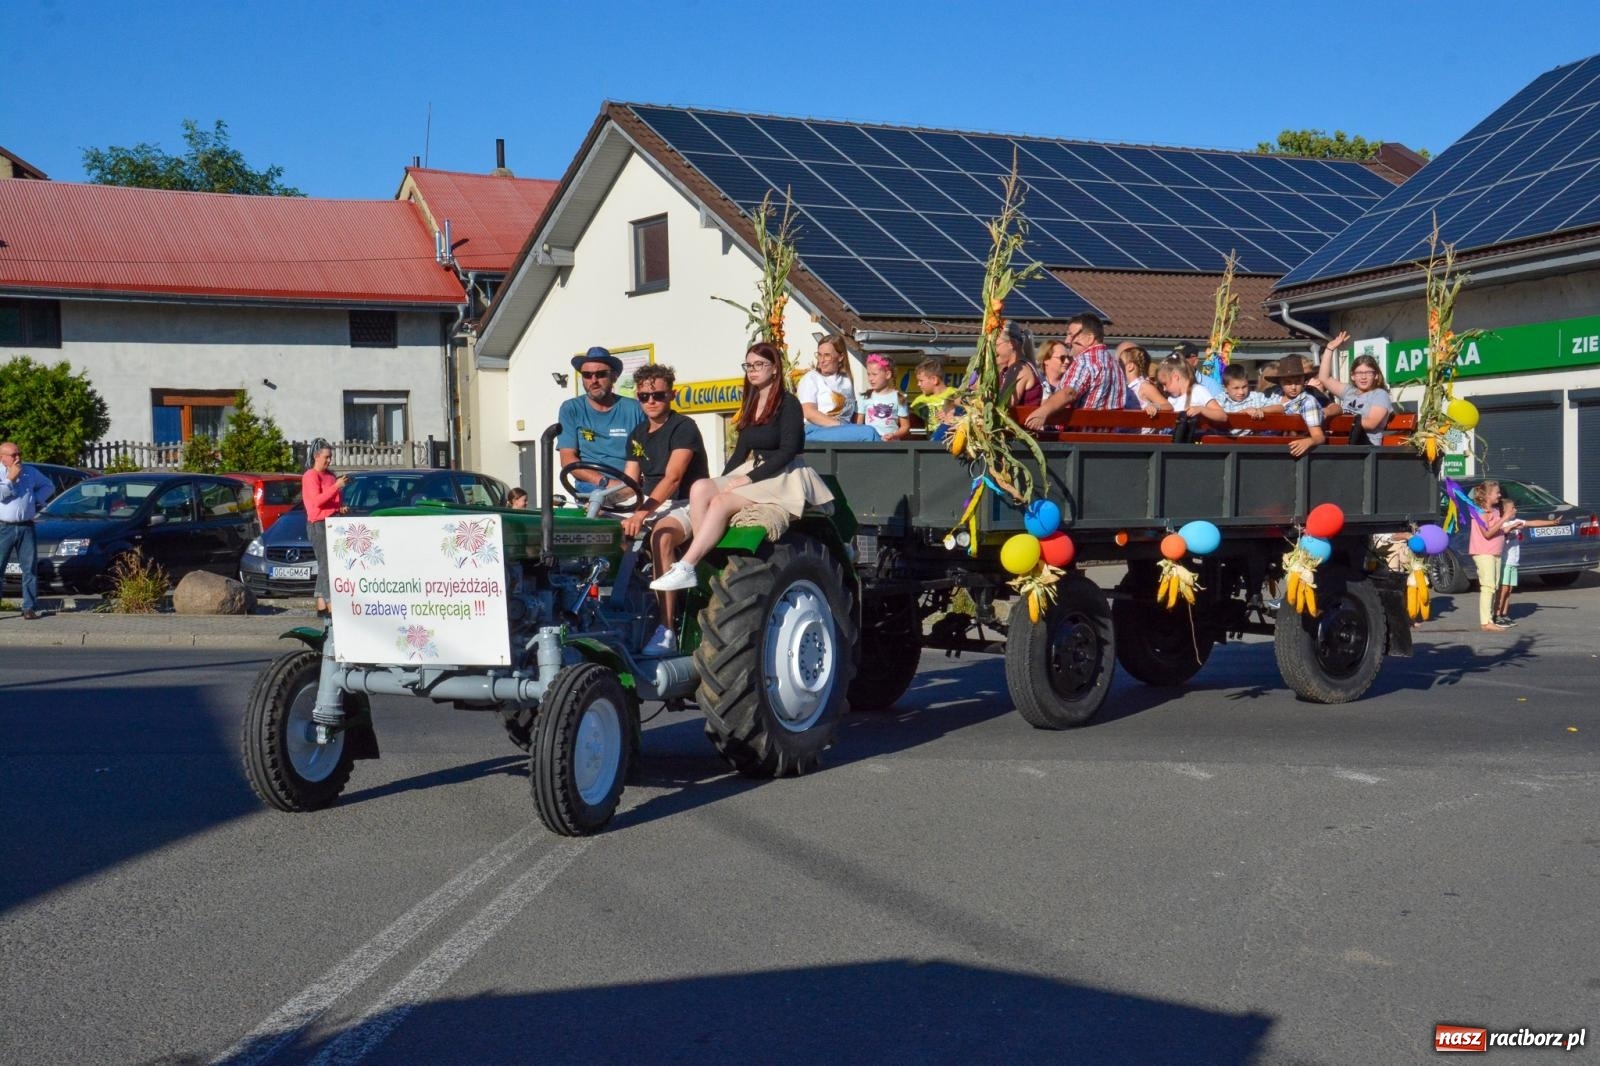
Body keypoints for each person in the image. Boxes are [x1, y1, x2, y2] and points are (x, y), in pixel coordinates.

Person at [650, 342, 832, 592]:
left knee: (721, 503)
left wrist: (749, 479)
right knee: (701, 487)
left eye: (759, 365)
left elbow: (788, 451)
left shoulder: (788, 403)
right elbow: (740, 453)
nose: (753, 370)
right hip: (753, 469)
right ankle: (704, 559)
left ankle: (687, 566)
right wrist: (720, 483)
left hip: (783, 474)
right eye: (749, 365)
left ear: (775, 369)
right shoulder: (751, 401)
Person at [619, 364, 710, 655]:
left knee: (662, 536)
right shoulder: (637, 432)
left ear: (671, 394)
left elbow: (673, 478)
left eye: (657, 395)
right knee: (605, 532)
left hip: (688, 502)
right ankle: (622, 611)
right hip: (650, 502)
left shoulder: (684, 427)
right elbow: (629, 483)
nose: (650, 401)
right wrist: (600, 499)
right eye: (644, 396)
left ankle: (666, 628)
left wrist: (642, 512)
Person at [557, 346, 645, 491]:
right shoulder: (571, 409)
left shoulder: (635, 409)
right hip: (591, 487)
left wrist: (630, 486)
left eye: (601, 374)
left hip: (631, 485)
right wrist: (606, 482)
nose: (594, 380)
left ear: (614, 377)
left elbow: (647, 454)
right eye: (587, 375)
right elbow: (567, 460)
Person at [1023, 313, 1121, 428]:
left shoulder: (1086, 361)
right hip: (1108, 439)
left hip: (1075, 438)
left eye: (1071, 335)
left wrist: (1042, 412)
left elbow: (1069, 393)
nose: (1067, 340)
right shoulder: (1114, 364)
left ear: (1089, 338)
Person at [0, 441, 55, 620]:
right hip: (4, 527)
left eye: (19, 454)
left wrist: (36, 500)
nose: (18, 458)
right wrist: (10, 479)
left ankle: (29, 607)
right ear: (2, 457)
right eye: (13, 455)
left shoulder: (29, 471)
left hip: (26, 526)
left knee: (29, 569)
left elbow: (49, 485)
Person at [799, 333, 877, 442]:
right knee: (869, 433)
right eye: (819, 355)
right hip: (815, 429)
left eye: (827, 355)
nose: (822, 360)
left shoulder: (846, 380)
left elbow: (852, 414)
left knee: (872, 431)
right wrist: (841, 427)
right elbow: (809, 412)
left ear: (840, 357)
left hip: (842, 430)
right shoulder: (811, 378)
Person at [301, 440, 350, 616]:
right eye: (326, 457)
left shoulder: (330, 476)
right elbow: (316, 502)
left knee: (328, 565)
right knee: (326, 566)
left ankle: (321, 604)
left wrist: (340, 507)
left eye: (330, 457)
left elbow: (332, 501)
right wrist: (336, 487)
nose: (329, 460)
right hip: (318, 525)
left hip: (333, 522)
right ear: (316, 456)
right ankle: (330, 604)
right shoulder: (310, 476)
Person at [1318, 331, 1392, 443]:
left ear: (1376, 375)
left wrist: (1339, 421)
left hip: (1366, 448)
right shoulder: (1349, 391)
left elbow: (1371, 423)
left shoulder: (1380, 394)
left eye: (1368, 373)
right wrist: (1329, 349)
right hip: (1344, 443)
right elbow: (1324, 378)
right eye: (1359, 373)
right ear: (1353, 376)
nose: (1363, 377)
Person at [1468, 480, 1510, 632]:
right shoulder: (1480, 512)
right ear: (1486, 495)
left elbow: (1497, 530)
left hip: (1495, 552)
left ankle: (1489, 618)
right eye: (1497, 493)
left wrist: (1509, 526)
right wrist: (1505, 519)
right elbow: (1487, 533)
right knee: (1488, 586)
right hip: (1483, 552)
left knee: (1494, 586)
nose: (1499, 495)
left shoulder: (1495, 511)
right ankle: (1485, 622)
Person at [1265, 355, 1327, 457]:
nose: (1293, 387)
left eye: (1298, 382)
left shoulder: (1308, 402)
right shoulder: (1274, 395)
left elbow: (1319, 436)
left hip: (1290, 449)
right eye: (1288, 383)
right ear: (1280, 383)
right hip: (1265, 445)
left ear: (1304, 381)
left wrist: (1308, 441)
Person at [1154, 358, 1226, 439]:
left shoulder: (1198, 390)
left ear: (1175, 377)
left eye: (1165, 384)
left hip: (1195, 443)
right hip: (1173, 443)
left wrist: (1201, 409)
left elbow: (1222, 416)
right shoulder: (1171, 397)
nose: (1164, 389)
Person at [857, 354, 911, 441]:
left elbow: (905, 426)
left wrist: (893, 435)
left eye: (874, 374)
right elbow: (859, 425)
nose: (870, 378)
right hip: (870, 444)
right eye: (868, 374)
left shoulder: (899, 398)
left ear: (888, 374)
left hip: (891, 445)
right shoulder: (865, 397)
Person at [908, 358, 961, 441]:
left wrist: (951, 414)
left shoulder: (955, 394)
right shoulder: (919, 401)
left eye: (921, 381)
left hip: (954, 439)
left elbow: (967, 412)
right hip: (932, 440)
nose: (918, 384)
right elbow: (908, 417)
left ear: (934, 380)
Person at [994, 320, 1043, 411]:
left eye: (995, 345)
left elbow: (1004, 404)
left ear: (1011, 344)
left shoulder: (1019, 369)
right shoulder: (1010, 369)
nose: (992, 350)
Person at [1217, 364, 1274, 435]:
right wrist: (1243, 413)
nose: (1241, 392)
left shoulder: (1256, 397)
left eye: (1244, 387)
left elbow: (1280, 408)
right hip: (1225, 443)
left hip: (1253, 442)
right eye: (1236, 388)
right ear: (1225, 388)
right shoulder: (1220, 400)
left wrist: (1260, 410)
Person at [1119, 344, 1167, 416]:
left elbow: (1168, 405)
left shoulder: (1144, 386)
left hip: (1141, 425)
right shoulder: (1126, 386)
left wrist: (1155, 406)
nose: (1117, 366)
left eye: (1120, 363)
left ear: (1130, 366)